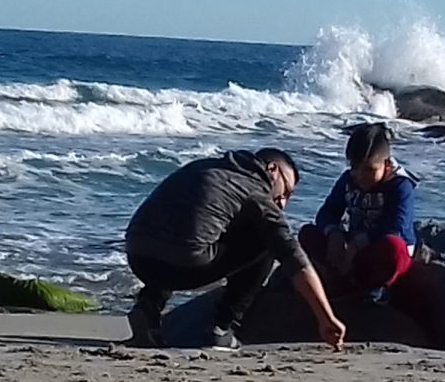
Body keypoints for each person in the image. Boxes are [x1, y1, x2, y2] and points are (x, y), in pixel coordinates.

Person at [124, 147, 346, 351]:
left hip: (137, 252)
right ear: (272, 169)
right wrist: (326, 318)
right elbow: (294, 259)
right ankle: (222, 329)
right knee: (267, 240)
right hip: (182, 261)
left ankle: (147, 308)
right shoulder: (256, 190)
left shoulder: (205, 166)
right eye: (286, 191)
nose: (282, 203)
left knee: (188, 231)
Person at [299, 122, 418, 303]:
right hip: (352, 251)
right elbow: (327, 212)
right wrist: (334, 232)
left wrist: (358, 243)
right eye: (355, 168)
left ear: (386, 164)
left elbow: (396, 226)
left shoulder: (400, 185)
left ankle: (375, 288)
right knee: (307, 233)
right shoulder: (348, 180)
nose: (361, 176)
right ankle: (337, 279)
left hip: (380, 251)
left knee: (394, 248)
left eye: (370, 170)